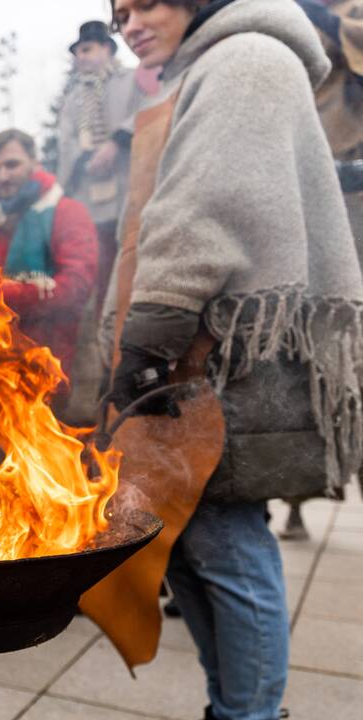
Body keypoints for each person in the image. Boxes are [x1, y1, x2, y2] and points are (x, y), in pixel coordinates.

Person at [104, 1, 363, 718]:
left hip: (221, 356)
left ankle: (248, 715)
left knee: (224, 539)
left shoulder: (244, 57)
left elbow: (203, 214)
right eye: (117, 11)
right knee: (188, 542)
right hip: (202, 349)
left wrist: (147, 343)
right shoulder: (207, 67)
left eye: (144, 3)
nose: (127, 22)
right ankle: (234, 707)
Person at [280, 0, 363, 541]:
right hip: (304, 197)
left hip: (355, 197)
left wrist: (331, 21)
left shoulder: (346, 15)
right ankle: (296, 497)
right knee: (303, 352)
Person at [0, 129, 97, 379]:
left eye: (12, 164)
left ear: (34, 163)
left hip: (50, 370)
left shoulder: (66, 212)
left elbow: (76, 288)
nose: (3, 176)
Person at [57, 21, 145, 316]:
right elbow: (65, 140)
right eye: (77, 52)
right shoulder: (72, 100)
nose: (80, 56)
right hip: (89, 194)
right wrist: (84, 158)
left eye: (87, 49)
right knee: (98, 263)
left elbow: (151, 108)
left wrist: (118, 142)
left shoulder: (134, 79)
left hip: (129, 186)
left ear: (106, 49)